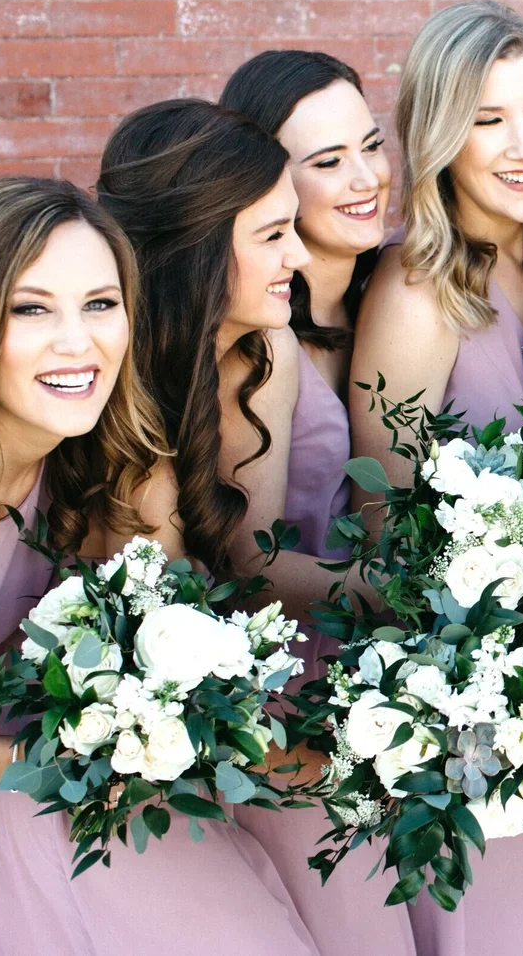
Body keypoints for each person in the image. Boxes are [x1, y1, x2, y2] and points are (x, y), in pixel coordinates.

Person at [0, 177, 320, 956]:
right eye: (31, 309)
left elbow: (183, 639)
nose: (78, 342)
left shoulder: (108, 460)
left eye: (100, 304)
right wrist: (38, 760)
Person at [96, 99, 414, 955]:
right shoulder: (105, 400)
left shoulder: (262, 352)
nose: (299, 256)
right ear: (199, 252)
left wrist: (427, 607)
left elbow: (249, 561)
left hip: (250, 688)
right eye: (273, 235)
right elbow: (164, 629)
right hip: (139, 728)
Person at [347, 0, 523, 955]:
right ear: (439, 136)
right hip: (476, 711)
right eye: (489, 120)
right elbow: (387, 524)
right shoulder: (418, 294)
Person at [218, 52, 413, 950]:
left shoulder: (399, 296)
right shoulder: (256, 337)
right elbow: (244, 560)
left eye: (371, 146)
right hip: (285, 696)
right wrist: (417, 602)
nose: (367, 177)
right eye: (328, 161)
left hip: (396, 690)